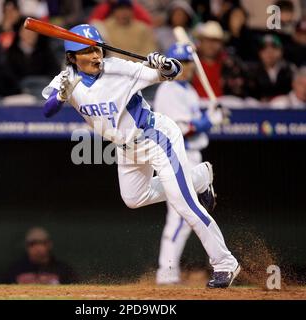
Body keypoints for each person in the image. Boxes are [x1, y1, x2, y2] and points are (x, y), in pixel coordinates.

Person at [42, 24, 240, 288]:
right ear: (72, 57)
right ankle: (200, 176)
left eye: (97, 49)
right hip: (125, 148)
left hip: (156, 137)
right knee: (134, 198)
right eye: (86, 51)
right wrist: (61, 96)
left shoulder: (119, 68)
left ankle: (225, 263)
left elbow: (172, 72)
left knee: (184, 205)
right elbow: (48, 110)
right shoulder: (66, 78)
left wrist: (164, 64)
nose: (95, 56)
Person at [153, 43, 224, 285]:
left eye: (190, 62)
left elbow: (194, 122)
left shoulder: (189, 91)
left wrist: (211, 114)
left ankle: (168, 273)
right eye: (183, 62)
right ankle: (166, 274)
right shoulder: (168, 90)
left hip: (191, 156)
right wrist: (208, 121)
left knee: (186, 217)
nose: (188, 67)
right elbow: (184, 130)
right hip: (177, 156)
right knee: (179, 218)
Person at [6, 227, 78, 284]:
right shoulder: (16, 270)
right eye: (33, 244)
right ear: (26, 247)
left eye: (41, 243)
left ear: (49, 245)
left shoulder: (63, 269)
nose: (38, 248)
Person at [248, 34, 296, 102]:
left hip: (283, 107)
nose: (269, 52)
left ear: (281, 51)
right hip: (257, 107)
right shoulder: (251, 71)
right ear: (259, 52)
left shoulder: (289, 70)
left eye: (274, 48)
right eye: (264, 48)